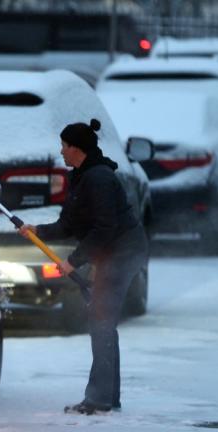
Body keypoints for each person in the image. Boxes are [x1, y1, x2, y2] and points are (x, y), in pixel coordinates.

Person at [19, 119, 148, 416]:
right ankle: (107, 397)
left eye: (64, 145)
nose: (61, 151)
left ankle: (99, 399)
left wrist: (73, 260)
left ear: (77, 148)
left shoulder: (99, 179)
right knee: (102, 321)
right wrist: (36, 229)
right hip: (113, 251)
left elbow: (105, 228)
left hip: (124, 251)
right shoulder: (81, 176)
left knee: (101, 320)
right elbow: (70, 223)